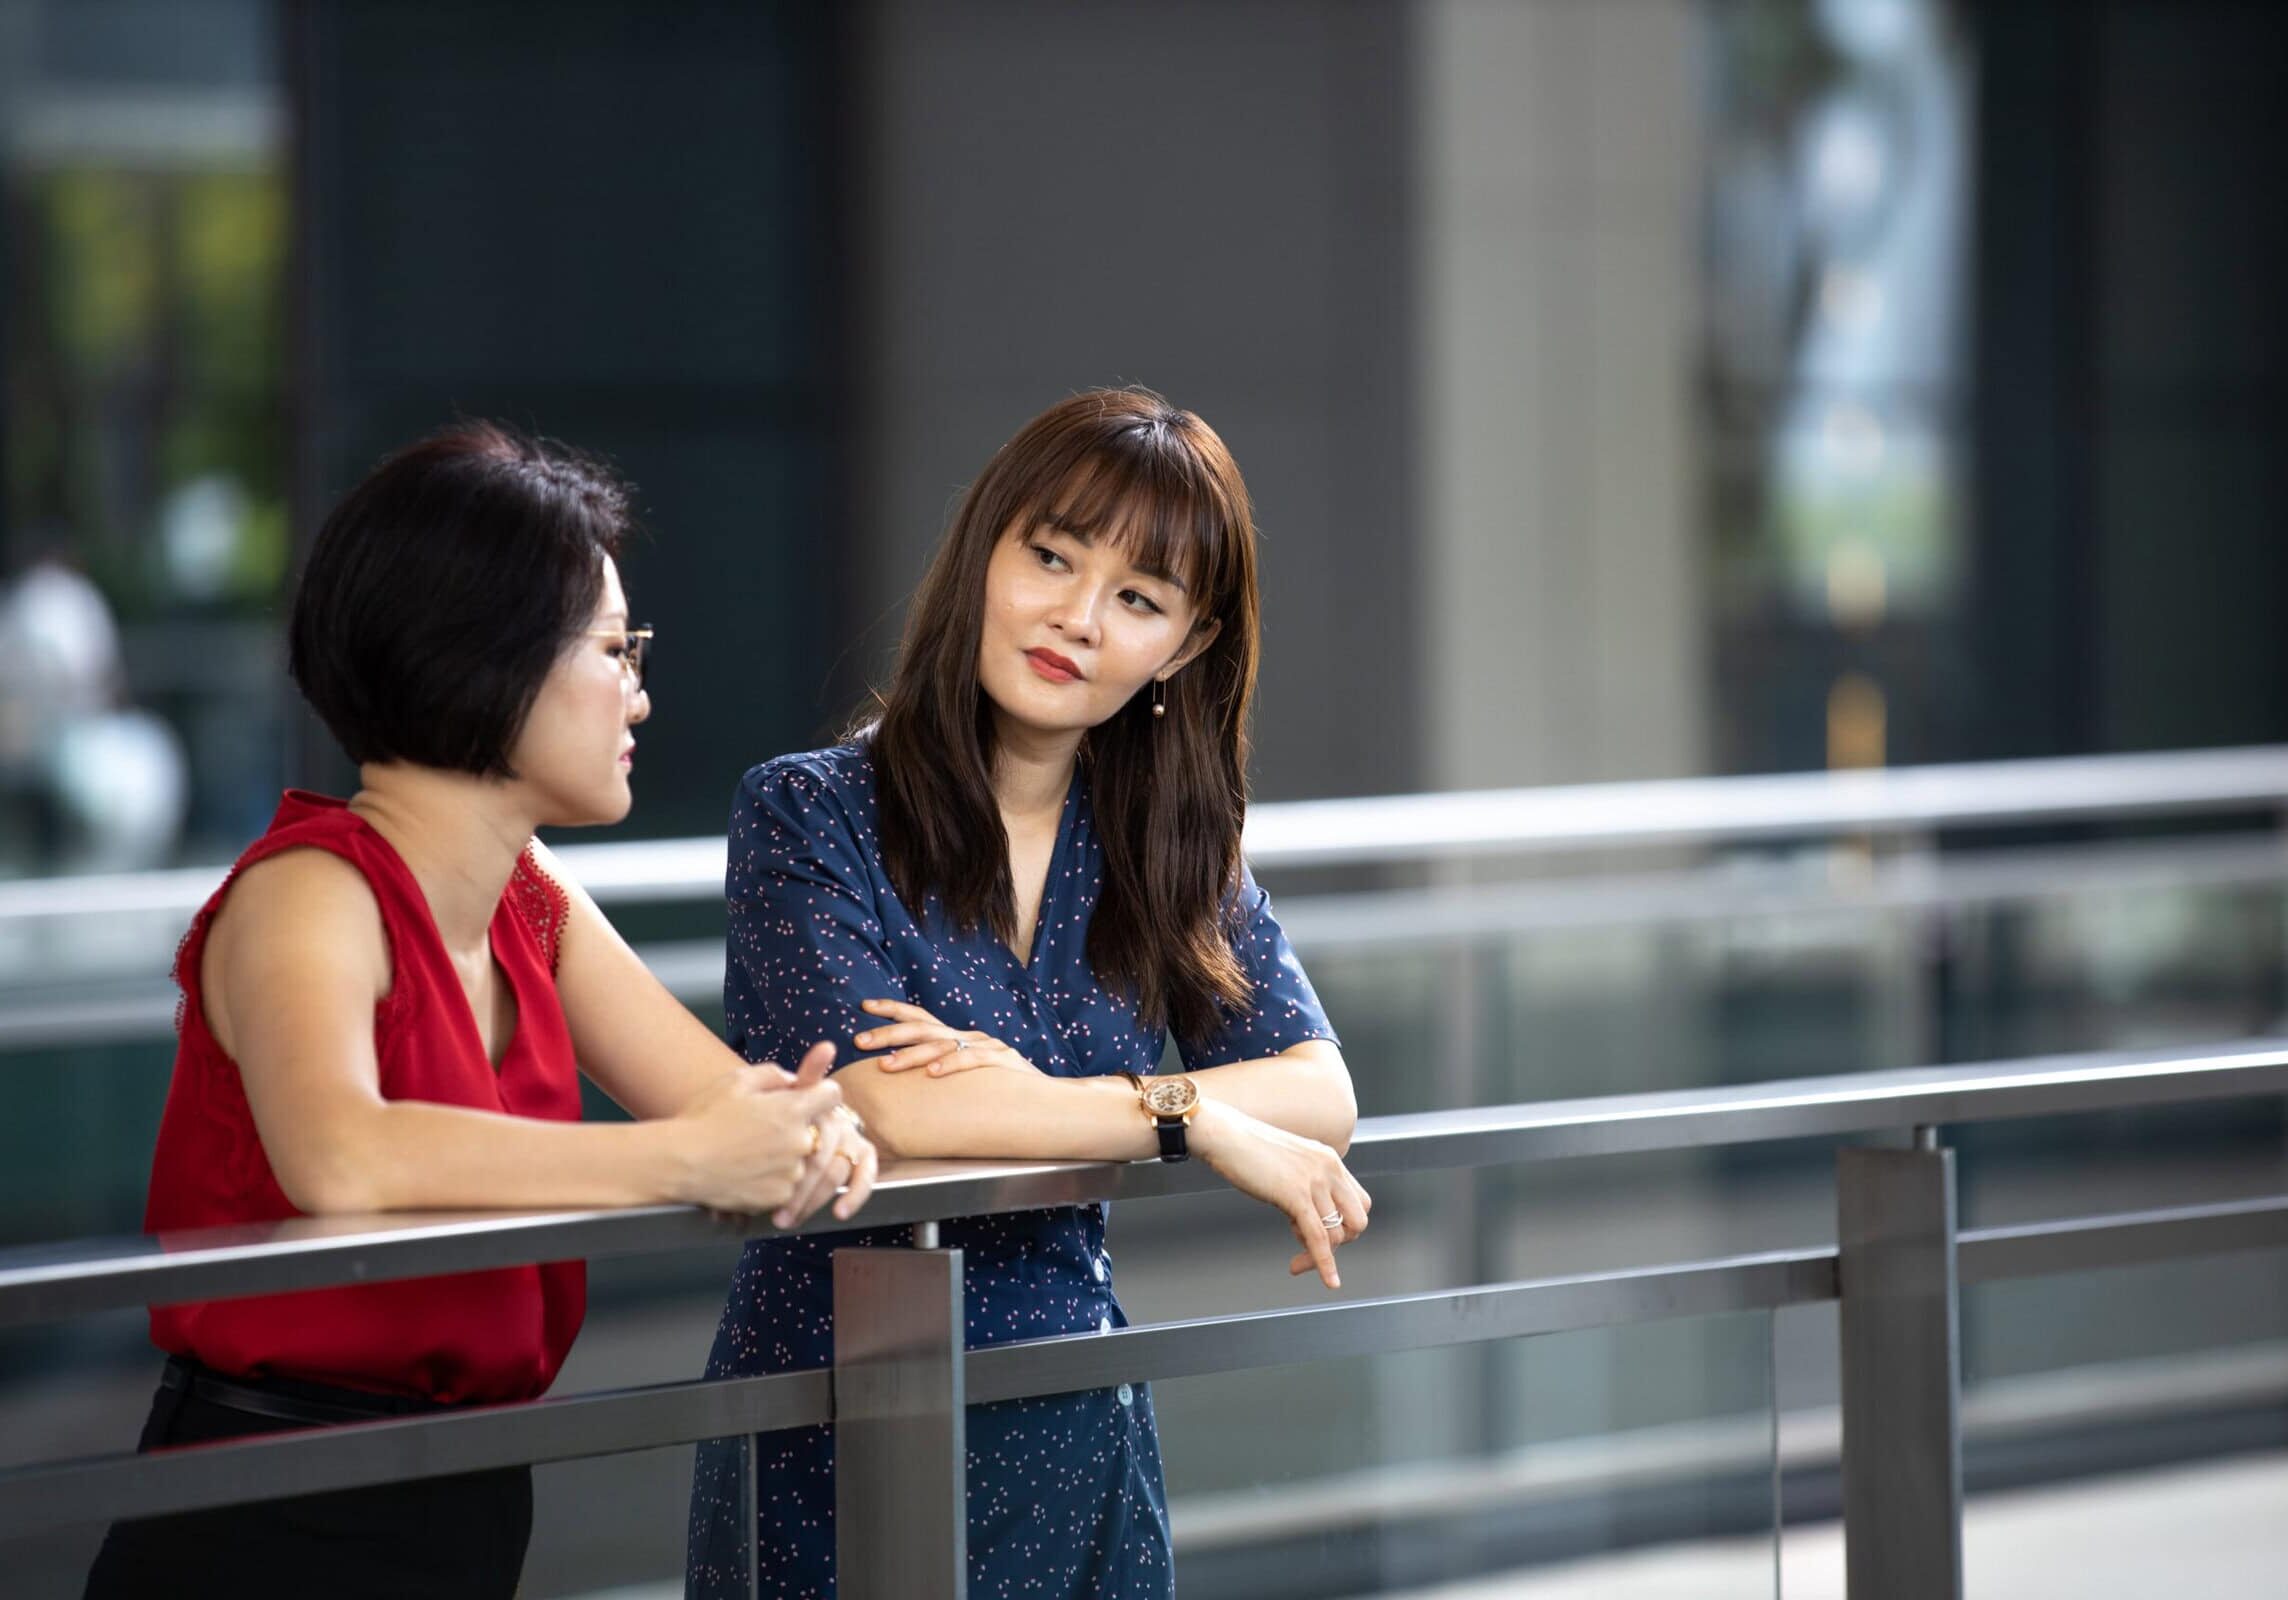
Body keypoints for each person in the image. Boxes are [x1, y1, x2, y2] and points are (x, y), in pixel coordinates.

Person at [83, 423, 877, 1600]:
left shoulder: (530, 893)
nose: (641, 696)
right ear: (491, 657)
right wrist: (692, 1158)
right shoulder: (312, 888)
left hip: (466, 1488)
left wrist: (815, 1128)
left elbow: (721, 1094)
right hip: (264, 1506)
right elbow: (343, 1156)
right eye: (616, 649)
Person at [686, 388, 1370, 1598]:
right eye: (1049, 556)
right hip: (841, 1410)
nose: (1076, 619)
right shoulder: (809, 812)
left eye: (1138, 599)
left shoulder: (1163, 846)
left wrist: (1054, 1096)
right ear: (984, 547)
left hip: (1074, 1426)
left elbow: (1318, 1092)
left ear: (1189, 645)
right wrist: (1189, 1115)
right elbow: (890, 1110)